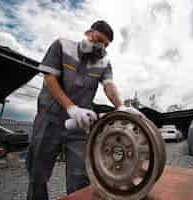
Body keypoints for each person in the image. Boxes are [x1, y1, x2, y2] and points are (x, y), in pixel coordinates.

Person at [26, 20, 142, 200]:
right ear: (88, 33)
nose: (100, 46)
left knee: (80, 175)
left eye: (105, 44)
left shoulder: (103, 63)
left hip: (79, 124)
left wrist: (121, 107)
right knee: (37, 173)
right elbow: (50, 79)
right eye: (98, 39)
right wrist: (70, 107)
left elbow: (109, 86)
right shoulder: (62, 46)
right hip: (49, 120)